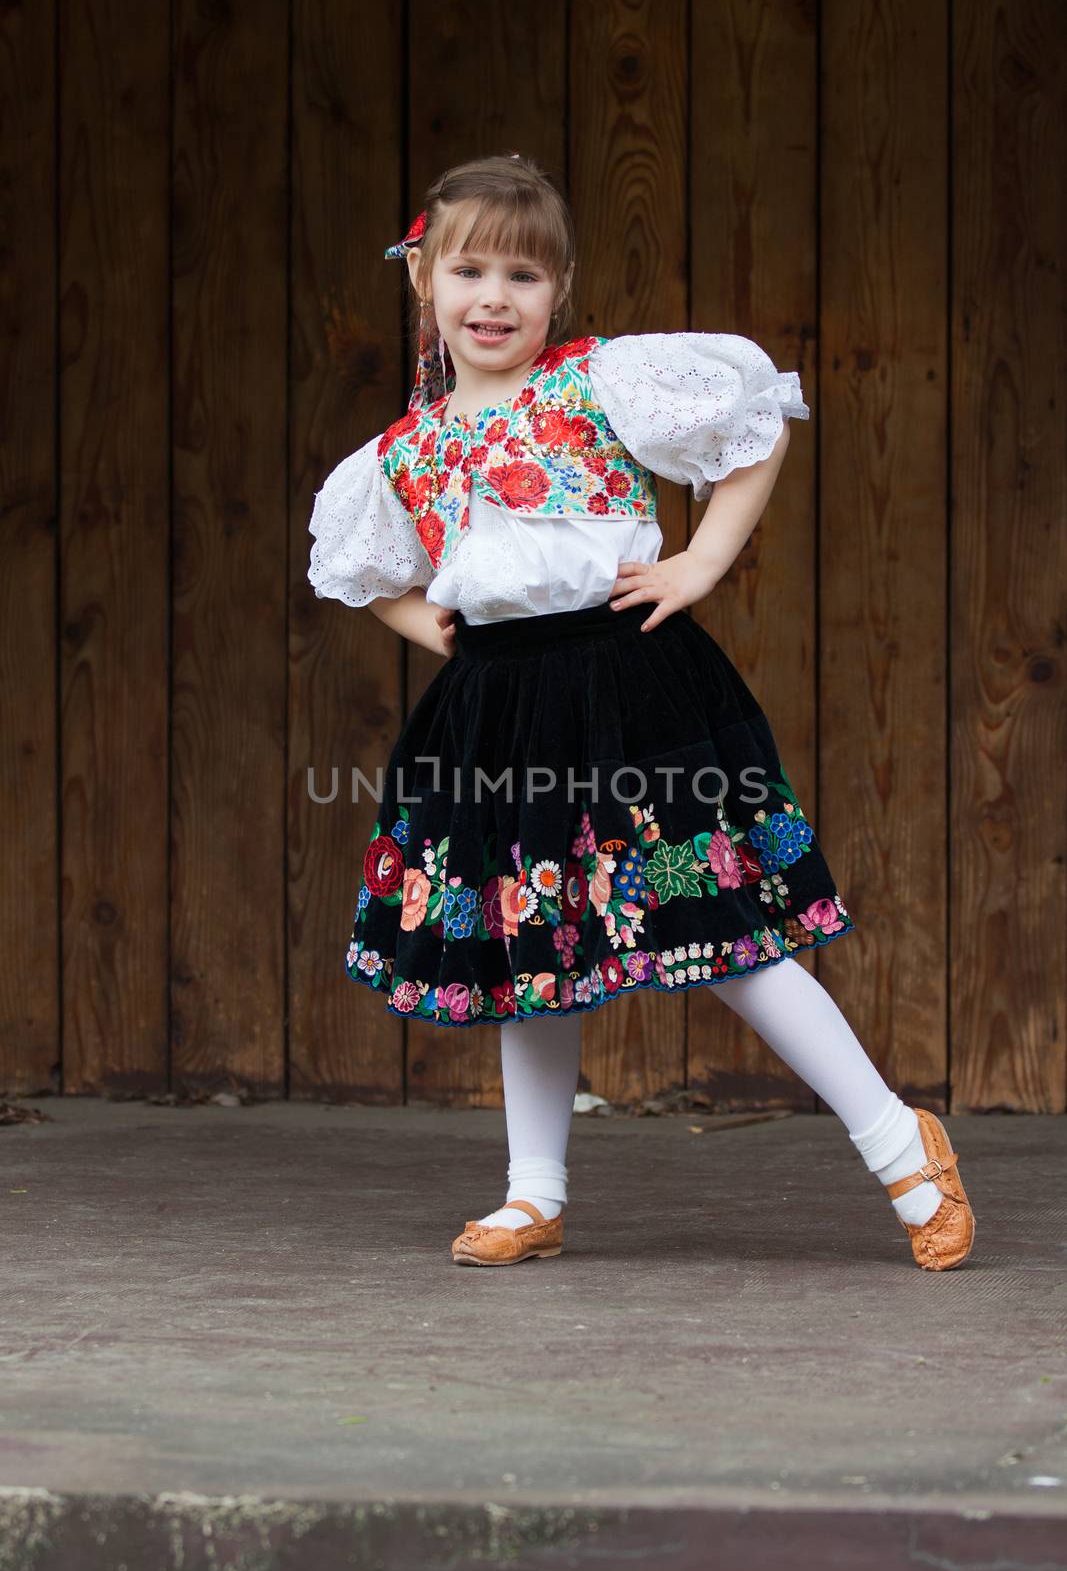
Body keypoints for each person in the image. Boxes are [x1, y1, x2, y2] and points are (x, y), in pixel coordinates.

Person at [306, 153, 974, 1273]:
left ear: (556, 291)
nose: (493, 298)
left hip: (629, 689)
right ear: (422, 279)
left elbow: (755, 427)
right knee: (533, 944)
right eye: (468, 270)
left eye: (522, 275)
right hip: (502, 712)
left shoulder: (599, 381)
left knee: (716, 924)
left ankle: (897, 1142)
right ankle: (533, 1193)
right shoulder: (403, 452)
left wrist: (701, 560)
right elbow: (368, 571)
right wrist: (438, 631)